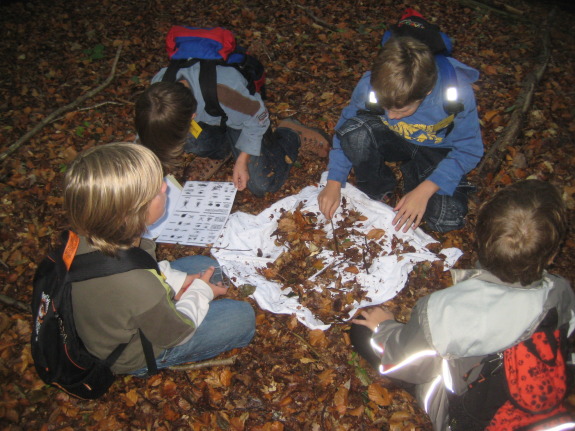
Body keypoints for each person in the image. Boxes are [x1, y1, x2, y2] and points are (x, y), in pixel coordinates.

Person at [349, 179, 575, 430]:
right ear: (552, 254)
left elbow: (406, 363)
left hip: (467, 413)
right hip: (530, 400)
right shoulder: (561, 291)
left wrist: (385, 327)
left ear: (479, 238)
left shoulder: (445, 310)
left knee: (361, 330)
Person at [63, 142, 255, 375]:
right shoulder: (135, 283)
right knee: (242, 317)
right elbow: (177, 334)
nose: (165, 188)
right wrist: (200, 292)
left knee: (209, 268)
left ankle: (178, 295)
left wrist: (178, 281)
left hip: (123, 308)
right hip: (133, 351)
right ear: (134, 211)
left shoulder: (102, 234)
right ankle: (144, 367)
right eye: (157, 190)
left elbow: (147, 268)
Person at [318, 36, 483, 233]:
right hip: (394, 139)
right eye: (385, 107)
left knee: (446, 219)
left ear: (427, 91)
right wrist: (334, 181)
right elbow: (346, 126)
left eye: (402, 111)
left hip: (436, 152)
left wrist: (426, 189)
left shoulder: (456, 95)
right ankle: (378, 187)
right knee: (355, 133)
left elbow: (469, 149)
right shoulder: (371, 86)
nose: (392, 116)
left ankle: (416, 180)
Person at [135, 67, 330, 197]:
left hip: (244, 121)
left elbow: (257, 119)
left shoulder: (225, 90)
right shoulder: (158, 92)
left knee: (261, 184)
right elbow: (150, 133)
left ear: (192, 116)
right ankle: (222, 151)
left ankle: (291, 133)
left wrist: (243, 160)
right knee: (185, 138)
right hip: (212, 119)